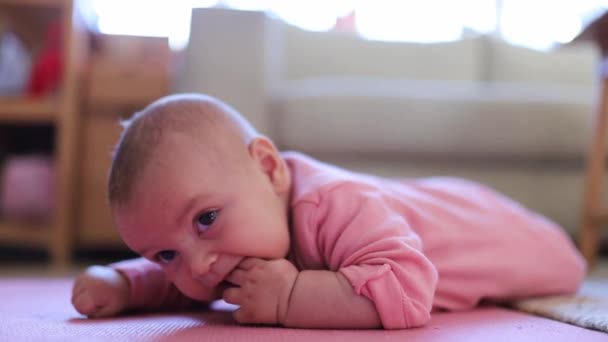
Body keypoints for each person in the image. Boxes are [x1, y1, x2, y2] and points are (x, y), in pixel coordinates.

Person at [71, 93, 586, 329]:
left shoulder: (333, 204)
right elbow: (190, 271)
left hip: (515, 239)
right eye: (163, 253)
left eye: (206, 219)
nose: (199, 264)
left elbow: (407, 290)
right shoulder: (229, 240)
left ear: (269, 168)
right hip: (423, 199)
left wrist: (291, 295)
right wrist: (128, 283)